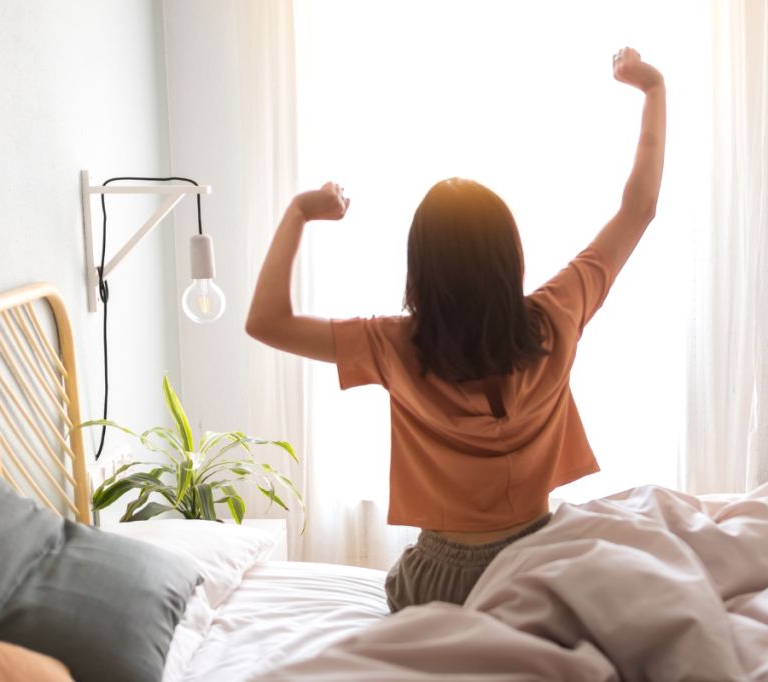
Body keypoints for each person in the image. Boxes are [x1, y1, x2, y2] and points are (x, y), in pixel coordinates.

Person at [246, 47, 666, 612]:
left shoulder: (394, 344)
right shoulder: (557, 315)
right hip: (538, 572)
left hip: (439, 582)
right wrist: (654, 88)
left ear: (421, 270)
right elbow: (639, 207)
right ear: (509, 257)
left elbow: (266, 321)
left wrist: (300, 211)